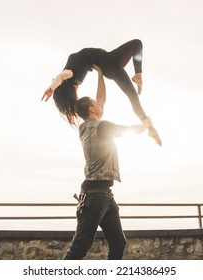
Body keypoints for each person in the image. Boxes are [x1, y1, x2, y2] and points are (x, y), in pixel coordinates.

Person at [62, 66, 152, 260]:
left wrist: (102, 75)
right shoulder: (101, 126)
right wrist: (145, 124)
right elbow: (127, 130)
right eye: (96, 103)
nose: (100, 103)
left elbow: (100, 99)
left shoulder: (86, 126)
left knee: (118, 242)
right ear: (92, 109)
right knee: (79, 247)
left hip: (104, 196)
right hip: (95, 197)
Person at [41, 39, 162, 146]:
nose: (77, 93)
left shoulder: (69, 75)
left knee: (133, 97)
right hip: (108, 63)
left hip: (108, 69)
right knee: (137, 44)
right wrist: (52, 88)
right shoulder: (72, 79)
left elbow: (61, 76)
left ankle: (150, 128)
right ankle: (138, 75)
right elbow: (61, 77)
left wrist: (52, 88)